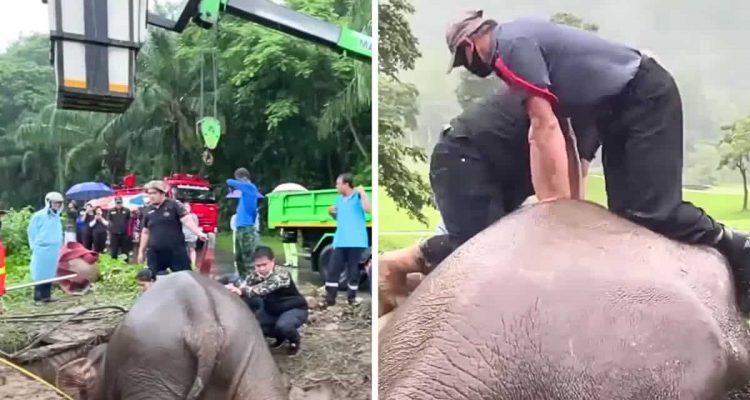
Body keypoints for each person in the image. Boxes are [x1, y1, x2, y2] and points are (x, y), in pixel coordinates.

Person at [439, 10, 750, 312]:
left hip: (643, 96)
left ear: (469, 45)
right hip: (616, 111)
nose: (469, 68)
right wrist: (571, 209)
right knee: (627, 214)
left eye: (464, 61)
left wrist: (553, 211)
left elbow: (543, 128)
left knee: (656, 211)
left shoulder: (510, 47)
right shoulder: (522, 43)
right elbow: (565, 136)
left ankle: (737, 247)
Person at [225, 246, 308, 355]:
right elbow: (244, 285)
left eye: (264, 264)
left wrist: (241, 291)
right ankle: (280, 336)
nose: (261, 268)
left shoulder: (282, 274)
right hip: (272, 310)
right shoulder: (255, 275)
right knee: (255, 326)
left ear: (272, 261)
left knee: (284, 326)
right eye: (258, 265)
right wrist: (231, 287)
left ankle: (294, 341)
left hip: (294, 308)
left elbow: (262, 288)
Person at [137, 180, 207, 278]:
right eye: (149, 193)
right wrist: (141, 251)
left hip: (176, 251)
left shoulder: (174, 205)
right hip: (156, 252)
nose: (151, 196)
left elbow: (187, 220)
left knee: (185, 278)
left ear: (162, 193)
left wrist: (199, 232)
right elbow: (145, 232)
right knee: (153, 278)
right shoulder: (147, 210)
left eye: (154, 193)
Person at [325, 173, 371, 306]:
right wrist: (331, 213)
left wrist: (363, 193)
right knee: (333, 270)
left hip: (356, 241)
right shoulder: (338, 199)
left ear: (346, 184)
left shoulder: (357, 197)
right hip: (340, 240)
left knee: (354, 272)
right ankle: (330, 299)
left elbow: (368, 210)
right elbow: (338, 218)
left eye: (338, 184)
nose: (336, 186)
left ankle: (351, 298)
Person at [27, 192, 64, 305]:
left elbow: (58, 232)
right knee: (40, 273)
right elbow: (31, 231)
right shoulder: (39, 216)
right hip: (41, 249)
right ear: (49, 202)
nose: (57, 205)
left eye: (59, 203)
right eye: (55, 202)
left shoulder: (56, 216)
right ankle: (38, 297)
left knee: (49, 272)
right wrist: (34, 246)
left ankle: (46, 296)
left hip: (53, 249)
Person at [226, 168, 259, 278]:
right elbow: (253, 212)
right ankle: (243, 280)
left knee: (248, 258)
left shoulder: (249, 187)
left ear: (243, 178)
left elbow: (229, 181)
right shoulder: (245, 192)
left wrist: (232, 185)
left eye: (238, 180)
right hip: (240, 228)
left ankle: (252, 282)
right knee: (239, 258)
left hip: (246, 228)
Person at [107, 197, 131, 261]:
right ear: (115, 203)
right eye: (117, 203)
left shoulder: (127, 210)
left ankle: (125, 265)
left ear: (122, 202)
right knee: (114, 251)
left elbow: (129, 221)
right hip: (114, 234)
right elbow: (109, 221)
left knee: (125, 251)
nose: (119, 204)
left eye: (120, 202)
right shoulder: (111, 211)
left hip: (124, 234)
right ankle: (114, 265)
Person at [182, 203, 200, 268]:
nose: (187, 208)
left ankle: (193, 264)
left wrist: (197, 234)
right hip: (183, 236)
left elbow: (196, 225)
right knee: (184, 251)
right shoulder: (181, 216)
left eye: (188, 206)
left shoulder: (194, 216)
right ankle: (185, 264)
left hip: (191, 236)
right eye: (185, 206)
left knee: (192, 249)